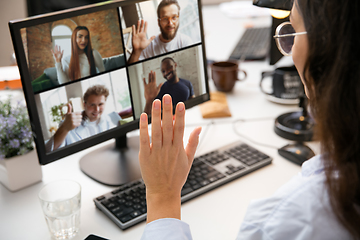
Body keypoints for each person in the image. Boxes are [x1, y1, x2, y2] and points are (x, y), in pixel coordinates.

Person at [138, 0, 360, 239]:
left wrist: (162, 196)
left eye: (294, 29)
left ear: (326, 48)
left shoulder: (290, 219)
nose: (291, 48)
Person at [45, 85, 120, 152]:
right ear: (84, 105)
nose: (97, 109)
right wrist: (65, 128)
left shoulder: (106, 120)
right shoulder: (68, 123)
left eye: (100, 104)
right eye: (92, 105)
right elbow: (48, 150)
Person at [127, 0, 193, 64]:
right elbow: (130, 71)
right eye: (165, 19)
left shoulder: (185, 42)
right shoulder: (149, 46)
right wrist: (136, 52)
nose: (170, 23)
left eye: (174, 17)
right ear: (158, 22)